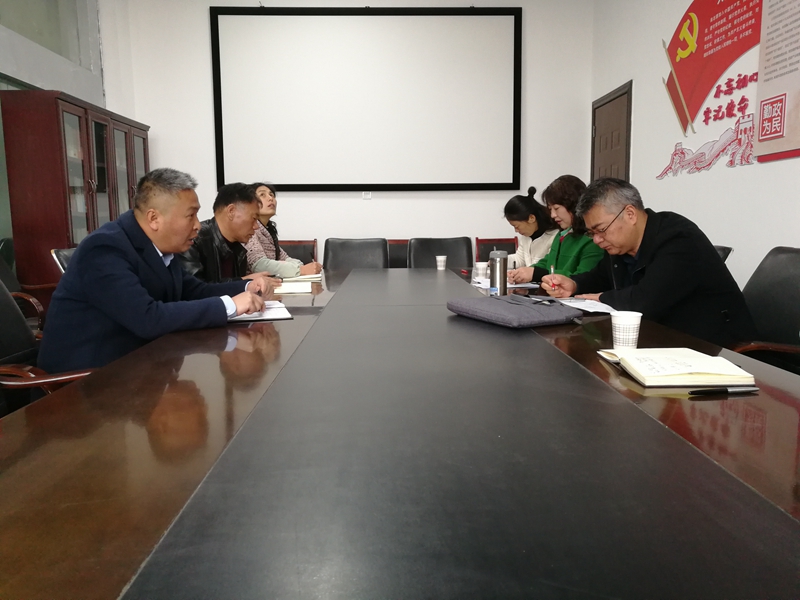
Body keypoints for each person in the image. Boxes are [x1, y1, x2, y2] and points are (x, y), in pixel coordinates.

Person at [37, 168, 272, 373]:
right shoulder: (104, 248)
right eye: (190, 215)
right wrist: (229, 305)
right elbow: (148, 318)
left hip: (140, 367)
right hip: (87, 383)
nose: (198, 225)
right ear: (154, 218)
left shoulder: (161, 249)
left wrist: (247, 287)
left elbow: (195, 291)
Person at [542, 177, 757, 347]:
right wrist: (574, 284)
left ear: (630, 214)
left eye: (601, 230)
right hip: (662, 342)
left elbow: (645, 301)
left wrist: (601, 298)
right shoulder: (620, 246)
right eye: (592, 233)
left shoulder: (678, 238)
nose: (597, 240)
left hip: (716, 348)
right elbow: (600, 276)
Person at [507, 175, 604, 283]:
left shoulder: (592, 240)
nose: (553, 215)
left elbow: (584, 278)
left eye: (556, 208)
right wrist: (525, 272)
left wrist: (536, 274)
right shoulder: (561, 235)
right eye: (550, 209)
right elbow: (548, 261)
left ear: (573, 205)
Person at [179, 182, 272, 283]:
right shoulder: (194, 240)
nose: (256, 226)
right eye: (253, 218)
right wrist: (243, 282)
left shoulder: (238, 248)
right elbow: (195, 289)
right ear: (231, 211)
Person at [245, 183, 322, 277]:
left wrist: (300, 266)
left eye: (271, 195)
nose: (270, 198)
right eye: (262, 195)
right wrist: (300, 270)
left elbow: (285, 258)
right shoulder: (250, 229)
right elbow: (259, 266)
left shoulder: (268, 231)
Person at [503, 186, 558, 269]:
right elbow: (519, 259)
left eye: (516, 226)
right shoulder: (526, 237)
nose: (516, 230)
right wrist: (499, 260)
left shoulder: (554, 237)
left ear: (531, 218)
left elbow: (548, 266)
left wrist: (529, 272)